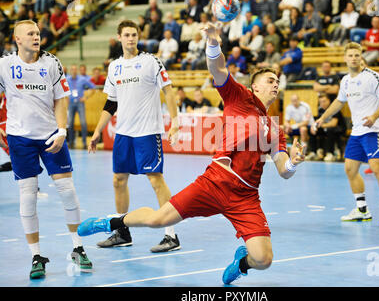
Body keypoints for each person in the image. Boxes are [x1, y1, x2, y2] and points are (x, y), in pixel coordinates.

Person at [77, 21, 306, 285]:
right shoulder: (239, 97)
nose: (276, 84)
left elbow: (283, 170)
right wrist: (212, 42)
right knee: (158, 219)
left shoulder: (275, 128)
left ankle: (241, 263)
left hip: (246, 197)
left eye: (277, 80)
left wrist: (294, 163)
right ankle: (111, 222)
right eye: (270, 80)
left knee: (264, 260)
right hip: (214, 183)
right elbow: (218, 69)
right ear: (255, 86)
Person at [0, 20, 92, 279]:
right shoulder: (5, 65)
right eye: (30, 34)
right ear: (17, 39)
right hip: (20, 138)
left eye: (38, 33)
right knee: (27, 196)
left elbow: (61, 99)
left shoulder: (51, 63)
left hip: (51, 134)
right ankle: (36, 255)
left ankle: (78, 247)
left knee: (68, 191)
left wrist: (62, 131)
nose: (36, 37)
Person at [87, 20, 181, 252]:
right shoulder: (114, 67)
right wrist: (98, 130)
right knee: (118, 180)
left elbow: (168, 91)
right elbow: (111, 102)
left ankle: (171, 235)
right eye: (126, 35)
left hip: (147, 132)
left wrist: (175, 121)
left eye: (134, 34)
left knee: (156, 180)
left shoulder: (150, 61)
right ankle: (121, 231)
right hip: (123, 134)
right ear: (119, 37)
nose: (131, 38)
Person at [316, 42, 379, 227]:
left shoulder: (373, 77)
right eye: (350, 55)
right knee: (350, 169)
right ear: (345, 58)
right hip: (357, 132)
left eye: (357, 55)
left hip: (373, 131)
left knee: (377, 169)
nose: (354, 58)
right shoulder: (345, 80)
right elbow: (339, 102)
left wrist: (374, 116)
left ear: (361, 57)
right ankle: (362, 209)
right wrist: (322, 118)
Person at [308, 94, 345, 162]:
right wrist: (314, 127)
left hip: (338, 129)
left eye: (324, 101)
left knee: (329, 130)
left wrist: (321, 126)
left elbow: (333, 124)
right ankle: (313, 152)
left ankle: (330, 153)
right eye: (321, 102)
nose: (322, 103)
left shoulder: (334, 109)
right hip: (326, 128)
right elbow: (317, 121)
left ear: (329, 101)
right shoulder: (320, 110)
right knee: (311, 130)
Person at [66, 64, 96, 149]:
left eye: (75, 69)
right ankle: (71, 142)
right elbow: (61, 89)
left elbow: (93, 88)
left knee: (83, 123)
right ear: (70, 71)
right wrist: (66, 97)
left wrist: (86, 97)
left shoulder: (82, 79)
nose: (74, 71)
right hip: (71, 103)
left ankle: (84, 142)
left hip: (80, 103)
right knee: (70, 124)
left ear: (77, 71)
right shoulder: (67, 79)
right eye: (72, 69)